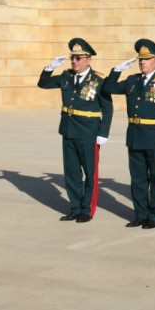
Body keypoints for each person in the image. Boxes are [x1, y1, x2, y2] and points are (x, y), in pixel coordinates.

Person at [102, 39, 155, 227]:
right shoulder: (131, 80)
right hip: (135, 136)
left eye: (147, 59)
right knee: (138, 179)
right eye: (140, 60)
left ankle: (154, 216)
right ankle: (140, 214)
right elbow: (108, 88)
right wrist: (117, 70)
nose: (142, 62)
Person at [37, 37, 114, 222]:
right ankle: (75, 207)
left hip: (88, 133)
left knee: (90, 173)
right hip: (69, 130)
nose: (74, 61)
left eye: (79, 58)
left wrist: (103, 133)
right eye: (73, 58)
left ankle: (87, 210)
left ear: (89, 59)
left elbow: (108, 108)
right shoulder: (66, 76)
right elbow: (43, 84)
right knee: (71, 172)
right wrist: (49, 68)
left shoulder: (99, 80)